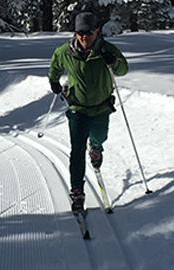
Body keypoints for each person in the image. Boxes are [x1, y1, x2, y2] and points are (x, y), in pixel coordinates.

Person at [48, 12, 128, 212]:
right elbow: (55, 65)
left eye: (88, 32)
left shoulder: (107, 50)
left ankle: (96, 148)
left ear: (97, 31)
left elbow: (123, 70)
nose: (84, 37)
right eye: (80, 32)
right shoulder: (65, 51)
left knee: (100, 136)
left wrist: (114, 62)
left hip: (101, 107)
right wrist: (54, 81)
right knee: (77, 150)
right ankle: (77, 190)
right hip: (77, 109)